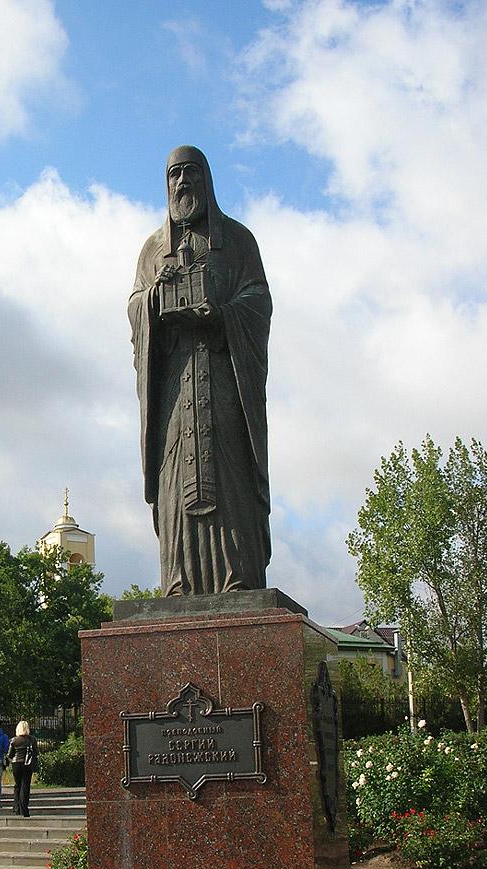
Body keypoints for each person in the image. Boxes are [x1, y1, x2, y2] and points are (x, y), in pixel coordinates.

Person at [128, 145, 272, 596]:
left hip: (225, 382)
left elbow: (259, 302)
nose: (182, 183)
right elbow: (134, 306)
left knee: (229, 475)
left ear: (206, 179)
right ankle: (179, 582)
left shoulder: (238, 241)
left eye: (190, 173)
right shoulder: (153, 248)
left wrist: (219, 314)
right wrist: (156, 302)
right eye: (173, 175)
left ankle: (238, 578)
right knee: (175, 481)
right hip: (172, 389)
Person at [9, 720, 39, 817]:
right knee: (25, 786)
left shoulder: (14, 740)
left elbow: (10, 754)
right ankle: (24, 809)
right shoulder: (32, 739)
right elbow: (36, 752)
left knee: (17, 785)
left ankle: (16, 808)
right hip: (27, 764)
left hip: (16, 764)